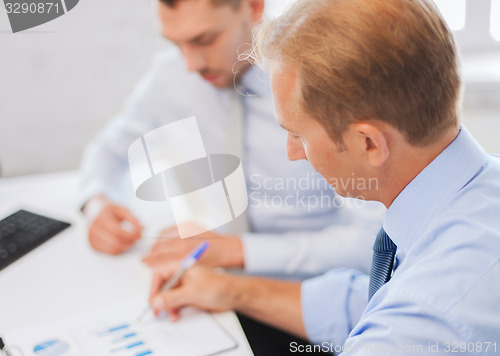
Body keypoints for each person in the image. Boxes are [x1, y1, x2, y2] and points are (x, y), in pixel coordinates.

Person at [148, 0, 500, 351]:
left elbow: (403, 313)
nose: (292, 152)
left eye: (298, 135)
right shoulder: (479, 189)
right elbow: (369, 302)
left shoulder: (414, 326)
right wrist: (231, 291)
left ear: (369, 143)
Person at [79, 0, 383, 278]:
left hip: (315, 293)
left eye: (204, 39)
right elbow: (109, 149)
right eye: (176, 44)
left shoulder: (326, 80)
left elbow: (370, 241)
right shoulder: (170, 76)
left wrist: (238, 250)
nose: (191, 65)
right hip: (214, 276)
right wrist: (97, 202)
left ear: (253, 8)